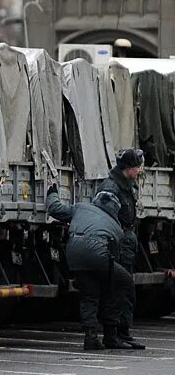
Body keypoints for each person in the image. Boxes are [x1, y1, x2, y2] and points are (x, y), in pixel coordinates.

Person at [46, 186, 134, 350]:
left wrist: (52, 192)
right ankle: (111, 334)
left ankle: (90, 336)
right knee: (123, 282)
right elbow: (115, 256)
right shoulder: (116, 227)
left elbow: (55, 209)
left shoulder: (80, 208)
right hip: (98, 255)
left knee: (89, 294)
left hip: (74, 253)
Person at [97, 148, 145, 349]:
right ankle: (111, 333)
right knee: (115, 289)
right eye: (137, 167)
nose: (140, 170)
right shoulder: (111, 187)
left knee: (126, 290)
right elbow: (105, 218)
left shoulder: (127, 184)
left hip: (126, 242)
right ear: (128, 168)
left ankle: (123, 331)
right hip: (117, 243)